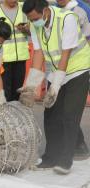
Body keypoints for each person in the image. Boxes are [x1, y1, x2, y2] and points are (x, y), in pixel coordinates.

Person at [19, 0, 90, 174]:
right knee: (51, 116)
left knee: (69, 116)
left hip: (77, 71)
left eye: (35, 18)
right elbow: (38, 53)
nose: (34, 22)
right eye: (31, 20)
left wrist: (55, 87)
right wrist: (31, 87)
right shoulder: (36, 24)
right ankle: (50, 157)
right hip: (55, 72)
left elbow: (65, 54)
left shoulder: (68, 19)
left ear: (45, 11)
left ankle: (65, 160)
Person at [56, 0, 90, 160]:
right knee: (63, 109)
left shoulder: (83, 9)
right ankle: (75, 143)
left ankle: (78, 145)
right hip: (61, 67)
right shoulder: (53, 10)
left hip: (80, 66)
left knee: (71, 110)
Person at [0, 0, 31, 102]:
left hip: (21, 56)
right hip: (3, 57)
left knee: (17, 92)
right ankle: (5, 114)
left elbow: (33, 31)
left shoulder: (25, 8)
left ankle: (15, 114)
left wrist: (25, 29)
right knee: (5, 91)